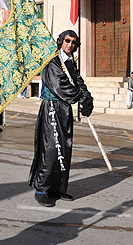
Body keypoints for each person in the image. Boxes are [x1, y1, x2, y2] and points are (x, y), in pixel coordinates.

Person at [28, 30, 93, 207]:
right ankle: (41, 189)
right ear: (60, 41)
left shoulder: (70, 61)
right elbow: (59, 84)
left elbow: (77, 80)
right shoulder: (53, 61)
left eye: (73, 42)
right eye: (67, 40)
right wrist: (79, 96)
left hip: (64, 109)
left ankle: (57, 188)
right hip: (52, 107)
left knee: (64, 148)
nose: (70, 44)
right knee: (51, 149)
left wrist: (86, 95)